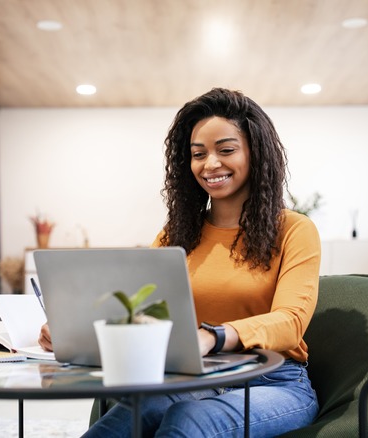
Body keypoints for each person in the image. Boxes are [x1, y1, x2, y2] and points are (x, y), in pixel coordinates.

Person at [38, 88, 321, 437]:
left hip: (273, 381)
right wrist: (74, 330)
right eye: (198, 154)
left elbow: (290, 322)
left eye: (226, 150)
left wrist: (213, 336)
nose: (210, 164)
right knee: (119, 424)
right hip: (196, 377)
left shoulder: (294, 229)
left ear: (256, 153)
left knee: (188, 420)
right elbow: (137, 307)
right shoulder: (177, 234)